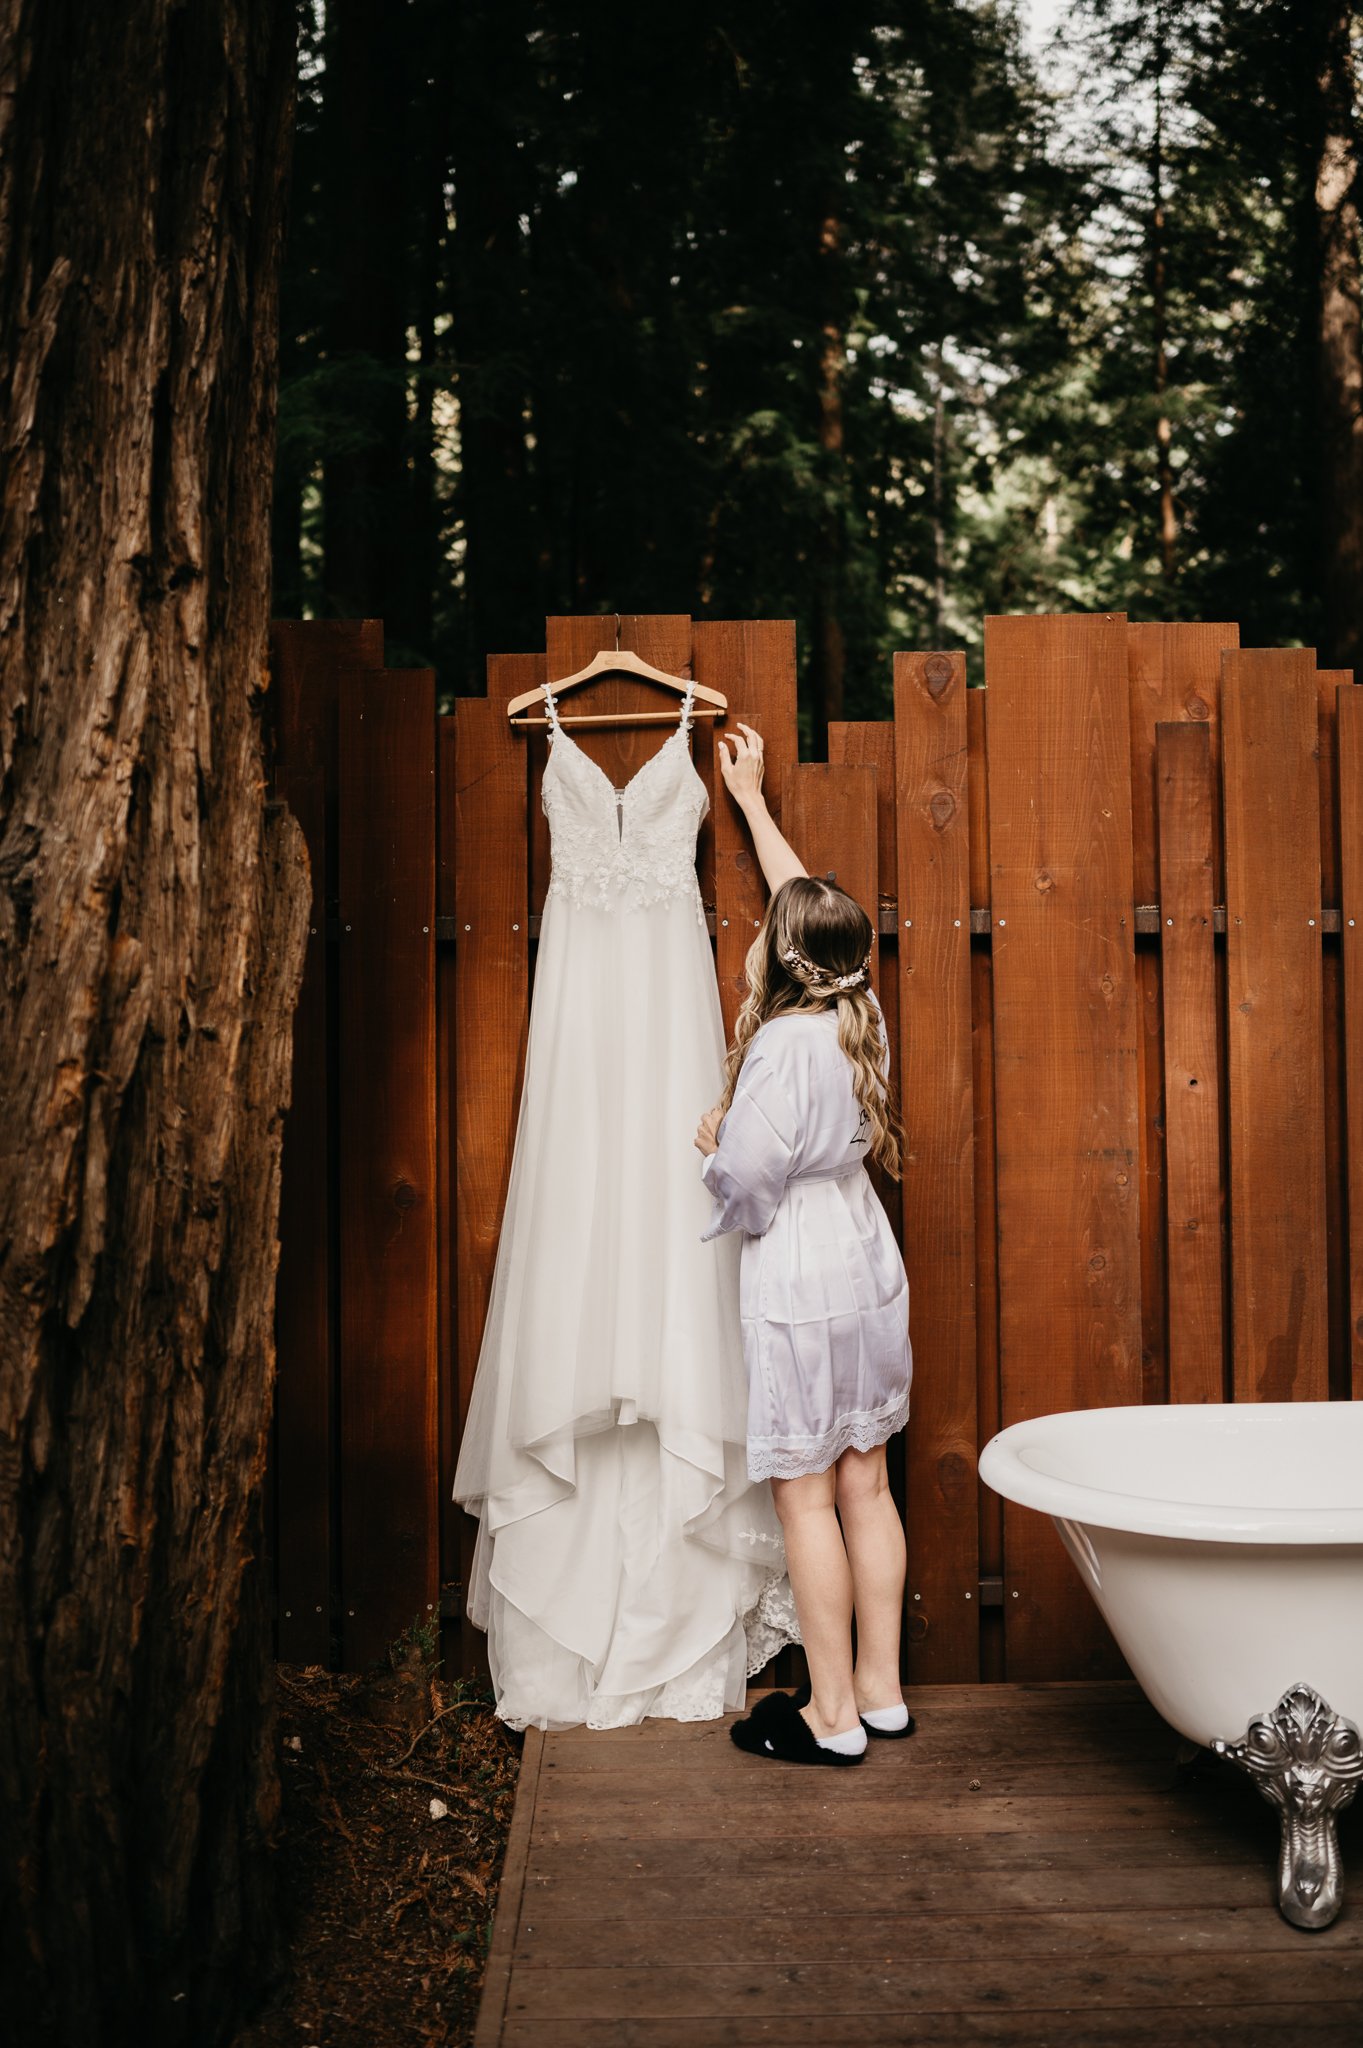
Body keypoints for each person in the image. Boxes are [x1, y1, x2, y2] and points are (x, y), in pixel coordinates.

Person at [693, 722, 915, 1766]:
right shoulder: (855, 1005)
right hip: (867, 1260)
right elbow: (808, 908)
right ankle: (880, 1687)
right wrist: (751, 800)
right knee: (867, 1477)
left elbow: (745, 1183)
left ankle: (827, 1713)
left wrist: (714, 1138)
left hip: (800, 1271)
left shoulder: (778, 1046)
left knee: (806, 1493)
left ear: (777, 958)